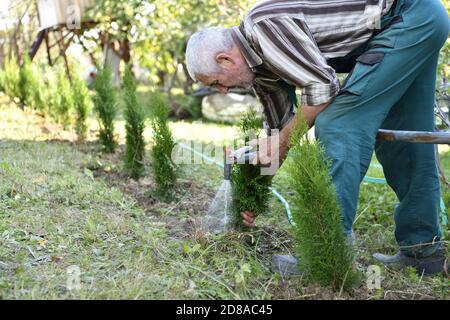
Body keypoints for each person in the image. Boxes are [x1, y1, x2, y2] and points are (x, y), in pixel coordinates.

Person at [185, 0, 449, 275]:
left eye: (216, 82)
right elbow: (280, 134)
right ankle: (423, 251)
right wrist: (253, 195)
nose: (223, 91)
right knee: (404, 138)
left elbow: (323, 88)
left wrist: (281, 141)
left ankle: (328, 254)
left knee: (338, 123)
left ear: (225, 60)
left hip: (408, 15)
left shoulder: (263, 26)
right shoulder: (261, 71)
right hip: (420, 20)